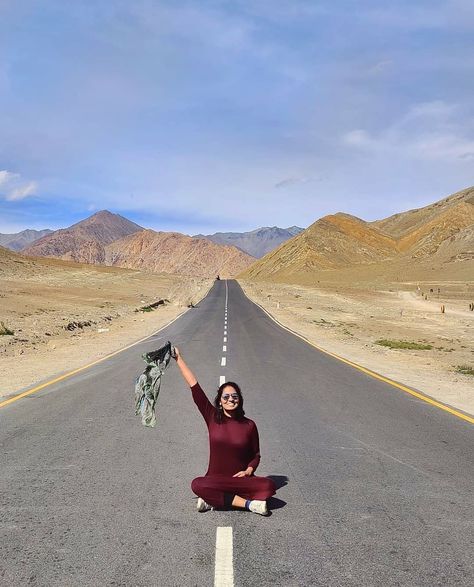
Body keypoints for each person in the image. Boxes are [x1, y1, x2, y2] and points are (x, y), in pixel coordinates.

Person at [174, 347, 276, 515]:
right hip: (215, 480)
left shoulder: (249, 425)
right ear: (220, 401)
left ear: (239, 400)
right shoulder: (212, 416)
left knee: (268, 485)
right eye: (226, 397)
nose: (230, 399)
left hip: (239, 480)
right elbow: (194, 386)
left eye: (234, 396)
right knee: (197, 484)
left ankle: (212, 500)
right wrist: (178, 358)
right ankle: (249, 505)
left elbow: (256, 455)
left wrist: (249, 471)